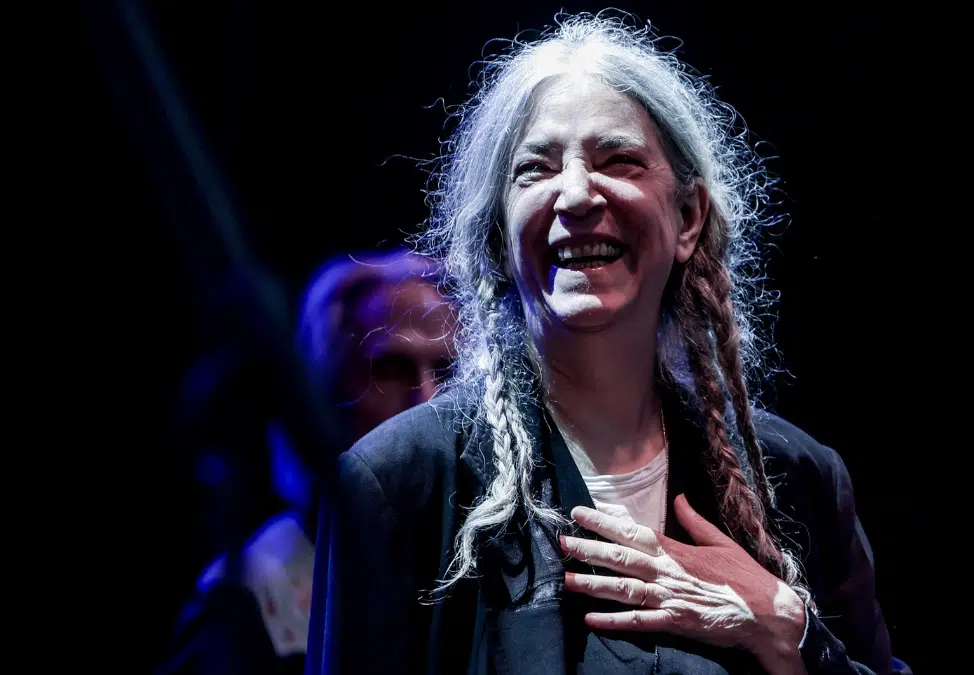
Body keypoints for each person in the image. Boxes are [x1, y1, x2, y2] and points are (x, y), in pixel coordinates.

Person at [307, 14, 909, 675]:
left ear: (688, 217)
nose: (575, 194)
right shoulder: (399, 484)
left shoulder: (797, 477)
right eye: (535, 169)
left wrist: (788, 629)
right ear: (499, 237)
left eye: (618, 160)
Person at [158, 248, 456, 675]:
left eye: (447, 372)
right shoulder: (257, 593)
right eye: (389, 369)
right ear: (323, 393)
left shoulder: (479, 556)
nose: (428, 400)